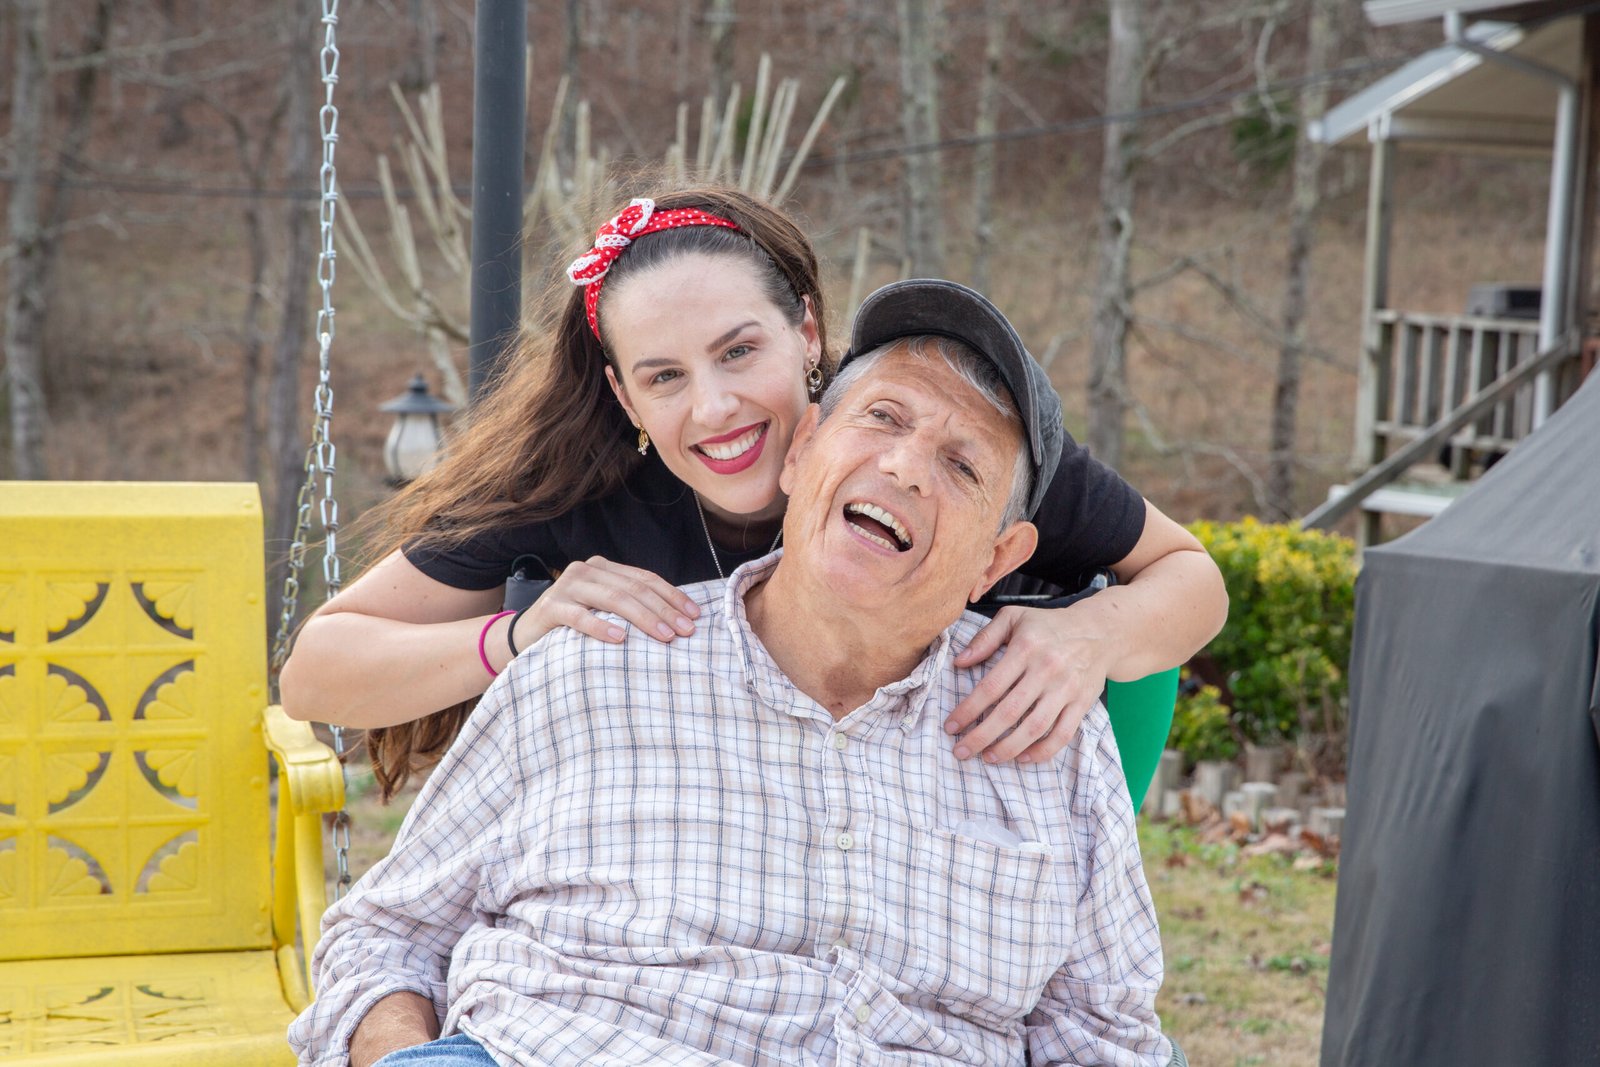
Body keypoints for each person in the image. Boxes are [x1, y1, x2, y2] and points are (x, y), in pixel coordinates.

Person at [288, 291, 1180, 1066]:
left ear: (1000, 556)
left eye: (962, 464)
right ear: (799, 455)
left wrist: (1101, 629)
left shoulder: (1049, 738)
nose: (905, 465)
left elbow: (1104, 1037)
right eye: (883, 418)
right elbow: (385, 936)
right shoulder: (593, 658)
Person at [278, 186, 1226, 799]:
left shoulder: (920, 441)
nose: (716, 407)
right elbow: (319, 668)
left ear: (807, 332)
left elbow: (1192, 578)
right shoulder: (579, 494)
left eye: (740, 351)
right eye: (664, 377)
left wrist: (1087, 638)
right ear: (622, 394)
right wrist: (519, 633)